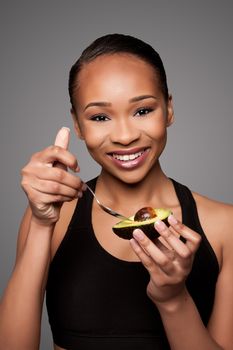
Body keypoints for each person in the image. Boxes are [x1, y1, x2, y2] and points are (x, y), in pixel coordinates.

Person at [0, 33, 232, 350]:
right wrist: (41, 224)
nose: (124, 136)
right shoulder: (53, 217)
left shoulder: (225, 227)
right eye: (100, 117)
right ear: (78, 126)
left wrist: (173, 299)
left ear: (169, 109)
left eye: (142, 111)